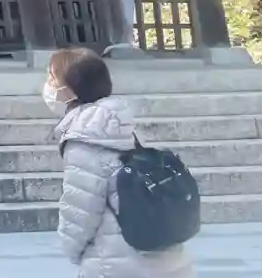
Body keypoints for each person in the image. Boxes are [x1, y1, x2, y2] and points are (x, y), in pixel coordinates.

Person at [46, 47, 194, 278]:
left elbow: (79, 214)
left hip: (116, 264)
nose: (48, 86)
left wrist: (74, 253)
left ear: (69, 90)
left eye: (51, 78)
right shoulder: (121, 125)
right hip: (168, 259)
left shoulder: (85, 141)